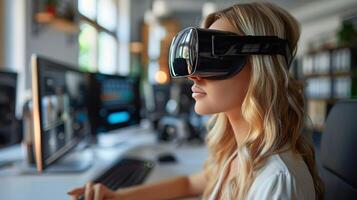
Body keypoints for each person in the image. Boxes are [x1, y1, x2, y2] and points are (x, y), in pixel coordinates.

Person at [68, 2, 324, 200]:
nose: (193, 75)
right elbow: (190, 183)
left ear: (261, 68)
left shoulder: (276, 180)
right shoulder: (240, 152)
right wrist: (118, 195)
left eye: (213, 59)